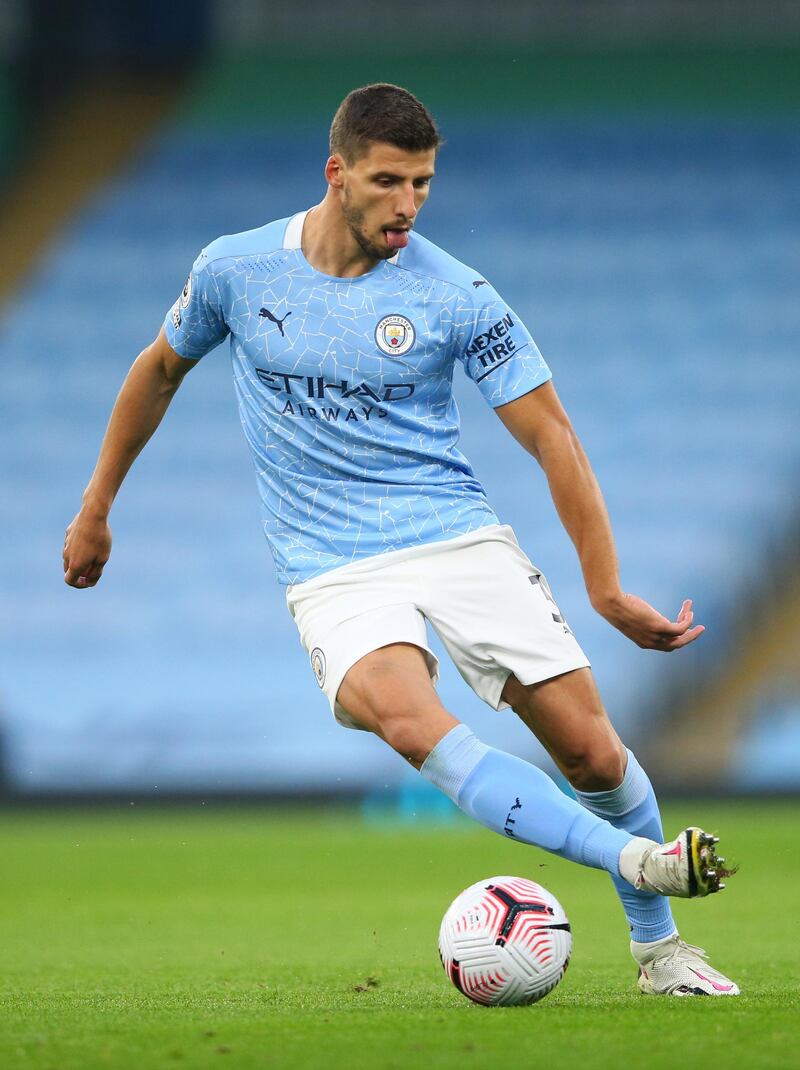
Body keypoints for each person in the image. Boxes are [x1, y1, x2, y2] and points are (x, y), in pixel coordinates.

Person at [63, 83, 737, 996]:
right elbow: (157, 370)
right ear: (336, 173)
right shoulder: (236, 270)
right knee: (413, 720)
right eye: (388, 182)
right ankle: (637, 866)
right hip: (330, 566)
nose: (408, 205)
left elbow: (552, 434)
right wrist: (97, 504)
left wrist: (606, 585)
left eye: (422, 183)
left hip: (454, 536)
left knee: (592, 753)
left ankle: (661, 953)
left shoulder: (455, 293)